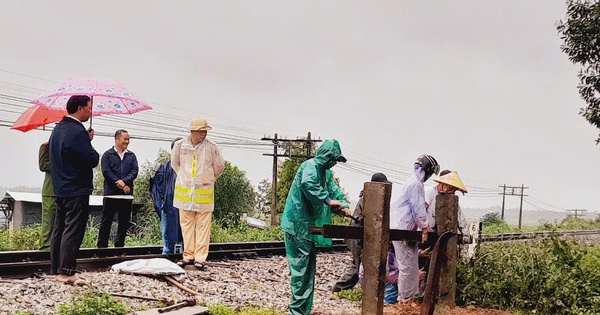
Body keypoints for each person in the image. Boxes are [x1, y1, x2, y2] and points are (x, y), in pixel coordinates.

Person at [280, 139, 351, 315]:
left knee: (308, 271)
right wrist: (328, 200)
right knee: (301, 271)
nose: (334, 163)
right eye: (333, 158)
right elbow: (309, 186)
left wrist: (343, 205)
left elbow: (333, 191)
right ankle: (296, 312)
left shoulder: (326, 174)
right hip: (298, 226)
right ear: (327, 156)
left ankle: (303, 310)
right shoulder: (310, 166)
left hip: (308, 228)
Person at [49, 95, 99, 286]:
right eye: (89, 108)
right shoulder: (77, 132)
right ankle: (66, 272)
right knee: (73, 229)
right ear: (80, 108)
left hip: (60, 187)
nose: (90, 111)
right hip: (76, 188)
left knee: (59, 228)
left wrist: (85, 139)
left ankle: (56, 269)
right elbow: (92, 159)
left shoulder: (58, 129)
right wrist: (88, 142)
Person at [171, 119, 224, 269]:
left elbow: (219, 167)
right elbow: (175, 164)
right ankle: (188, 256)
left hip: (204, 195)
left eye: (205, 131)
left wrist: (208, 178)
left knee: (203, 227)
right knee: (186, 226)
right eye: (201, 131)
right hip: (185, 194)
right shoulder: (180, 145)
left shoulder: (212, 147)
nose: (204, 133)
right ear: (192, 131)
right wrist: (185, 178)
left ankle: (200, 257)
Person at [390, 154, 439, 303]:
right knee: (407, 267)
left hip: (407, 229)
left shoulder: (414, 182)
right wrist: (424, 227)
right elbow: (418, 208)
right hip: (402, 229)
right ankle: (405, 299)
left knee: (411, 265)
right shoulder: (415, 184)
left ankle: (408, 297)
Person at [331, 172, 391, 293]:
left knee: (358, 264)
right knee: (358, 265)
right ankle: (339, 288)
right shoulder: (369, 199)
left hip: (357, 236)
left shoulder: (369, 198)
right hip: (356, 237)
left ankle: (341, 288)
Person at [97, 129, 139, 248]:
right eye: (125, 139)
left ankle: (119, 246)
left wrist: (124, 182)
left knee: (124, 222)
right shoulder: (107, 155)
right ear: (117, 139)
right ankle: (102, 247)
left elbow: (134, 171)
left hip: (126, 195)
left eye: (128, 139)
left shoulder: (131, 156)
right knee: (106, 221)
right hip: (111, 194)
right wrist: (117, 182)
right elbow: (106, 171)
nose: (127, 141)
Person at [151, 137, 183, 254]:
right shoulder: (163, 168)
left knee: (187, 235)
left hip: (186, 207)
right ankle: (168, 255)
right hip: (169, 207)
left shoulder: (189, 167)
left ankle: (186, 257)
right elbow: (156, 190)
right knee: (169, 236)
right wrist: (163, 205)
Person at [38, 141, 56, 250]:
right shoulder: (46, 146)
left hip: (64, 190)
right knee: (48, 221)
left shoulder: (67, 147)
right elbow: (42, 165)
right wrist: (57, 161)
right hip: (50, 191)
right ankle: (45, 246)